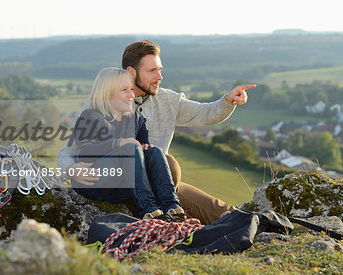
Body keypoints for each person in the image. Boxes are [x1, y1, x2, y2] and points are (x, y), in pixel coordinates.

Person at [57, 40, 256, 224]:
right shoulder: (102, 105)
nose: (160, 77)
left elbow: (206, 114)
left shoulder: (168, 100)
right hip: (119, 184)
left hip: (158, 179)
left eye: (160, 69)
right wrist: (70, 168)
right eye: (152, 71)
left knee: (223, 211)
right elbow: (70, 149)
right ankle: (159, 212)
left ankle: (244, 221)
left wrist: (228, 100)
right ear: (132, 72)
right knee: (171, 167)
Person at [71, 67, 186, 221]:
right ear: (107, 93)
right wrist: (118, 144)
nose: (131, 94)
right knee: (129, 149)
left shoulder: (136, 118)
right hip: (94, 182)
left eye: (131, 89)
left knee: (155, 152)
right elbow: (83, 152)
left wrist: (145, 148)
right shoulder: (91, 116)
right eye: (124, 90)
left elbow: (143, 146)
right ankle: (148, 209)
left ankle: (172, 206)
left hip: (121, 189)